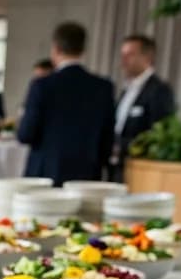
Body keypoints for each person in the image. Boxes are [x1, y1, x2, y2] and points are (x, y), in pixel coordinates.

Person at [17, 21, 115, 186]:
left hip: (45, 174)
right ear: (83, 50)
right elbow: (107, 139)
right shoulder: (103, 87)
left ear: (55, 48)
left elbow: (26, 134)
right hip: (87, 175)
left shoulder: (42, 86)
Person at [110, 33, 176, 182]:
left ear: (148, 58)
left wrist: (121, 146)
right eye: (123, 54)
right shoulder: (126, 90)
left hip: (139, 169)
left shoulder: (159, 91)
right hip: (118, 167)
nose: (124, 60)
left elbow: (158, 134)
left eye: (130, 55)